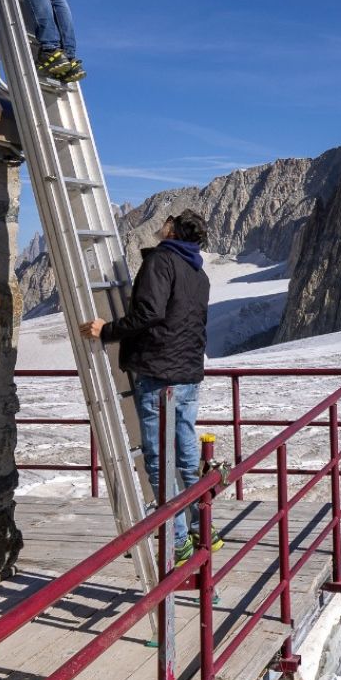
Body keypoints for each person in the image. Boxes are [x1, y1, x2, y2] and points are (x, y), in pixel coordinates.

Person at [81, 209, 212, 561]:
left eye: (166, 221)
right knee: (186, 452)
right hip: (187, 374)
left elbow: (149, 314)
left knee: (157, 459)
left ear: (172, 230)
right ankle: (202, 525)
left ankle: (178, 539)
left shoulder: (162, 262)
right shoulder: (199, 272)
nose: (160, 224)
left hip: (157, 373)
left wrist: (106, 331)